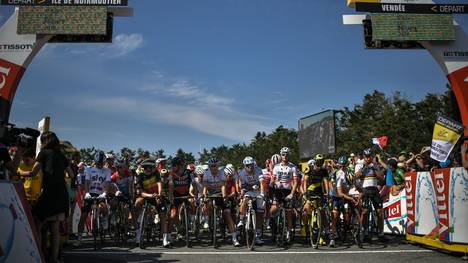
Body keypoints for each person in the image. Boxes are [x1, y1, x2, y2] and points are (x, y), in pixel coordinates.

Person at [19, 131, 74, 263]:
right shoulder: (61, 155)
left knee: (37, 222)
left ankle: (38, 255)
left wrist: (18, 172)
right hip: (61, 193)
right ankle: (54, 259)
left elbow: (33, 173)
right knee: (55, 228)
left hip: (49, 191)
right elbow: (71, 174)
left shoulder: (43, 153)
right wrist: (59, 176)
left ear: (45, 141)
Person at [75, 151, 112, 247]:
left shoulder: (107, 171)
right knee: (83, 216)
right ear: (95, 162)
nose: (99, 165)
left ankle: (104, 221)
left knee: (104, 207)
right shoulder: (89, 169)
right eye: (98, 163)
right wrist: (86, 193)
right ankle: (79, 239)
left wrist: (105, 193)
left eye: (101, 163)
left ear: (104, 162)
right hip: (90, 193)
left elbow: (107, 183)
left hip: (101, 193)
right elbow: (87, 181)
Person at [202, 157, 240, 247]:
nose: (213, 168)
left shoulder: (222, 173)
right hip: (211, 193)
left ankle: (234, 238)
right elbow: (205, 187)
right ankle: (207, 220)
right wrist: (204, 195)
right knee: (207, 203)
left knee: (227, 214)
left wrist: (224, 197)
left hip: (220, 193)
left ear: (218, 166)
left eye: (215, 166)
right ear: (209, 167)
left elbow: (223, 186)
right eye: (211, 166)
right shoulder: (206, 173)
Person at [270, 147, 299, 243]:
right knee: (273, 209)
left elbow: (295, 182)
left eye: (286, 154)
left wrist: (292, 194)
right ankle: (273, 225)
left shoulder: (293, 167)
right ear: (281, 155)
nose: (285, 156)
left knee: (288, 212)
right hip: (278, 190)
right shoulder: (276, 167)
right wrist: (275, 183)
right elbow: (273, 179)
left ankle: (289, 232)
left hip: (288, 191)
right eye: (283, 154)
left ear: (289, 155)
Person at [355, 148, 385, 240]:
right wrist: (364, 167)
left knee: (379, 212)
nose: (368, 159)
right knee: (365, 212)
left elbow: (381, 177)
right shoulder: (359, 164)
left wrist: (374, 168)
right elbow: (356, 176)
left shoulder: (375, 165)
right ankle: (365, 231)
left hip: (375, 189)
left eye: (369, 157)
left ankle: (381, 233)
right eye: (366, 157)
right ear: (364, 157)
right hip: (365, 190)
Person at [237, 156, 265, 245]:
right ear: (244, 166)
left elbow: (262, 182)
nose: (250, 167)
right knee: (245, 199)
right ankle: (241, 220)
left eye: (251, 165)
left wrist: (262, 193)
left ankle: (257, 235)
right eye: (248, 166)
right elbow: (243, 187)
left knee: (260, 214)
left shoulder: (258, 170)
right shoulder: (241, 173)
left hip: (258, 191)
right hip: (248, 190)